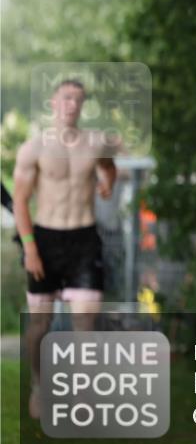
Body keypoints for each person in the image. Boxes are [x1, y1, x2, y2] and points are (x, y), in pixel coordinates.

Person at [13, 78, 118, 419]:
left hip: (84, 239)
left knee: (85, 321)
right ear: (53, 103)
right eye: (66, 98)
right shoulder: (34, 148)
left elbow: (108, 166)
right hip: (45, 239)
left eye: (78, 99)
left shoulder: (95, 144)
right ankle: (40, 388)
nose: (72, 104)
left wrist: (107, 185)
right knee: (39, 325)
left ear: (83, 105)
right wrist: (30, 248)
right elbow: (19, 200)